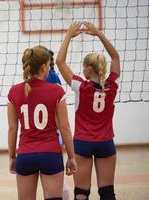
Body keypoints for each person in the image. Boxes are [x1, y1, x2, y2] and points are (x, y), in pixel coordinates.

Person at [56, 22, 121, 200]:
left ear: (88, 69)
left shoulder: (81, 87)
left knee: (81, 193)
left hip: (83, 142)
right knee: (107, 192)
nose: (82, 69)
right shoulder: (112, 85)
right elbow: (115, 57)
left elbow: (59, 61)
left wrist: (69, 35)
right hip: (106, 142)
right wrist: (98, 33)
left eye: (84, 66)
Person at [7, 45, 77, 200]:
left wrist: (12, 157)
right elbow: (64, 128)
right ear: (45, 67)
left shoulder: (13, 92)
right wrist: (71, 157)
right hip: (50, 154)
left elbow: (12, 128)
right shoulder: (57, 91)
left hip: (25, 154)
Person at [45, 48, 70, 200]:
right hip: (46, 130)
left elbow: (57, 107)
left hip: (53, 130)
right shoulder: (45, 77)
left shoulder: (52, 77)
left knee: (56, 177)